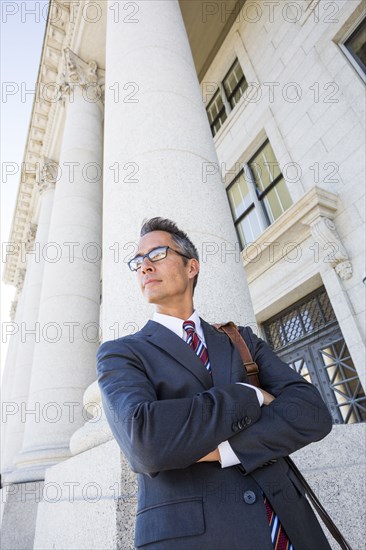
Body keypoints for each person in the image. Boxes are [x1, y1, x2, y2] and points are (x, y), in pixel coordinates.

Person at [97, 217, 333, 550]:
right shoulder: (122, 354)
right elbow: (146, 443)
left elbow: (312, 414)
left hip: (288, 525)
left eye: (157, 254)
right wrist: (248, 394)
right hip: (197, 537)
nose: (144, 267)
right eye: (137, 262)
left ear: (191, 266)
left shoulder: (241, 340)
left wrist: (222, 450)